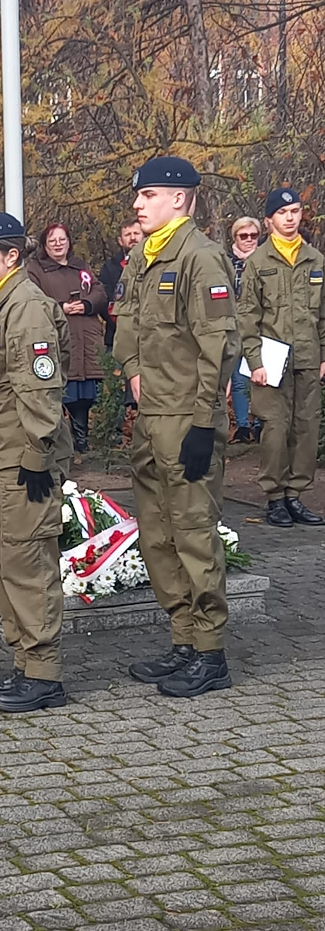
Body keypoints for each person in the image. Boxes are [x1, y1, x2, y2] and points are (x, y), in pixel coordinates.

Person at [114, 156, 240, 698]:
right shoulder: (142, 258)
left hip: (187, 418)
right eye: (139, 197)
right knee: (158, 534)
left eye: (149, 196)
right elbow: (126, 325)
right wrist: (133, 372)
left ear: (181, 200)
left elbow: (219, 344)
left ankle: (210, 652)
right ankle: (183, 638)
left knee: (192, 532)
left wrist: (203, 420)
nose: (138, 204)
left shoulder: (201, 258)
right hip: (150, 419)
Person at [0, 212, 69, 713]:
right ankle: (26, 662)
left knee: (29, 562)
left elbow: (40, 388)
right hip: (0, 453)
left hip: (25, 456)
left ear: (11, 257)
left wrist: (36, 453)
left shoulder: (23, 307)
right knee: (6, 560)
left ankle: (44, 673)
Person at [238, 188, 325, 527]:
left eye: (295, 211)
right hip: (271, 360)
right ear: (269, 220)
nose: (290, 218)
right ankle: (274, 497)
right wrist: (255, 362)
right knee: (275, 429)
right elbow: (247, 315)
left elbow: (322, 314)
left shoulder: (315, 259)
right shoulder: (258, 262)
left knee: (305, 428)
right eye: (283, 213)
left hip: (307, 355)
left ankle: (295, 496)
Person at [26, 224, 106, 453]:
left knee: (84, 394)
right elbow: (35, 300)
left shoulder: (80, 267)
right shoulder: (36, 269)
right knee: (62, 391)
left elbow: (100, 292)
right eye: (52, 241)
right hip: (60, 338)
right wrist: (62, 308)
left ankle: (81, 440)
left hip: (87, 339)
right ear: (44, 245)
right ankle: (61, 443)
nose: (58, 244)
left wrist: (87, 304)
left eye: (62, 240)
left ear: (69, 242)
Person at [228, 216, 262, 444]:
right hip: (233, 326)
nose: (249, 240)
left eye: (253, 235)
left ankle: (260, 423)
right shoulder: (226, 263)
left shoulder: (265, 260)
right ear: (235, 238)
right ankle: (242, 425)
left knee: (259, 376)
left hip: (260, 326)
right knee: (238, 378)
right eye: (244, 236)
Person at [100, 218, 143, 349]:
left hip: (151, 338)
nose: (133, 238)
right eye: (128, 235)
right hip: (117, 338)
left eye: (136, 234)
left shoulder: (158, 263)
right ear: (120, 240)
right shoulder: (109, 268)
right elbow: (104, 300)